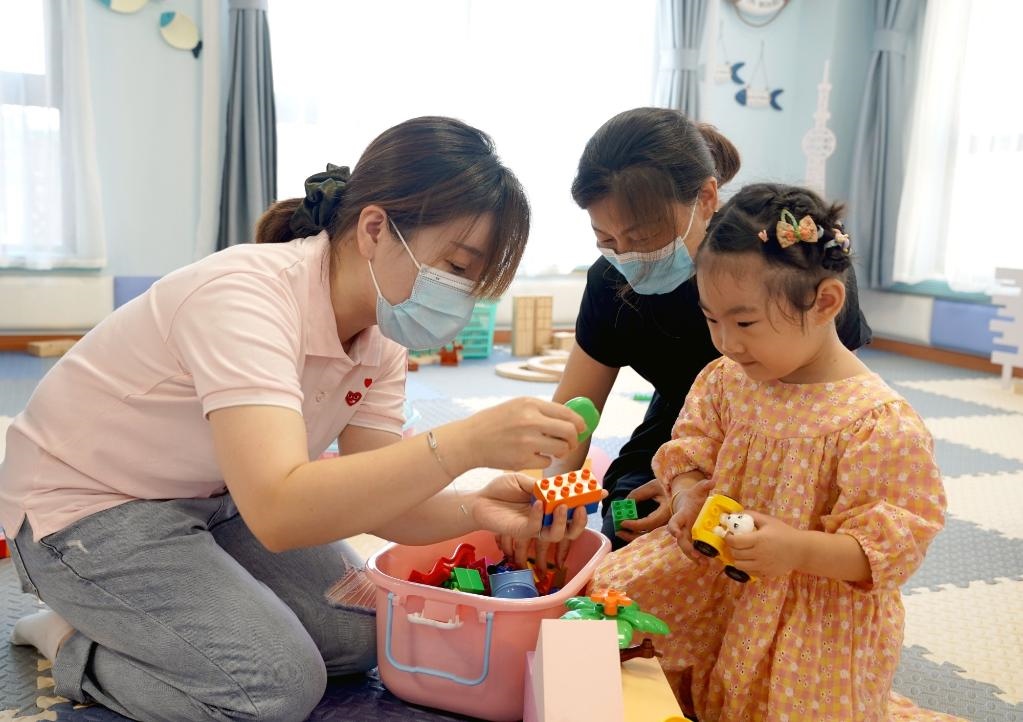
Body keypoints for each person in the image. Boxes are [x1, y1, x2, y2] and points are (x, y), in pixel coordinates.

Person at [0, 116, 592, 722]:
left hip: (218, 498)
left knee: (374, 630)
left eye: (476, 282)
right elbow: (280, 513)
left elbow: (376, 497)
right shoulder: (245, 297)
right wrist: (465, 443)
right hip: (85, 509)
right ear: (375, 229)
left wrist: (478, 508)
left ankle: (149, 617)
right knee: (274, 689)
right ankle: (72, 642)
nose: (463, 297)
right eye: (457, 267)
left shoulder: (381, 335)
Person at [588, 183, 946, 721]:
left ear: (825, 302)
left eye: (745, 322)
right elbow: (690, 448)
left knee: (783, 702)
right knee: (602, 604)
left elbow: (891, 547)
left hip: (807, 604)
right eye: (712, 319)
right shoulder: (726, 379)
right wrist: (686, 493)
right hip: (709, 574)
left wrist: (796, 549)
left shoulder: (877, 423)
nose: (726, 342)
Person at [548, 108, 872, 549]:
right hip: (682, 428)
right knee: (631, 529)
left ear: (706, 198)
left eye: (643, 238)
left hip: (791, 430)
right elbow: (575, 414)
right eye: (606, 239)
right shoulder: (610, 282)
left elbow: (837, 404)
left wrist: (719, 485)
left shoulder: (788, 266)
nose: (626, 255)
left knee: (762, 542)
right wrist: (554, 498)